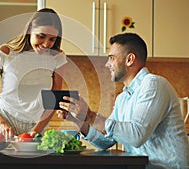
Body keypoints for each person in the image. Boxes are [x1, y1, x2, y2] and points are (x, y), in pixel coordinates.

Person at [57, 33, 189, 169]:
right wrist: (79, 121)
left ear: (130, 59)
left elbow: (136, 136)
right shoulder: (123, 98)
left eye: (112, 58)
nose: (107, 64)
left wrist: (90, 116)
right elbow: (106, 141)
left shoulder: (153, 84)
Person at [0, 8, 67, 140]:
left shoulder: (57, 57)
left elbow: (52, 100)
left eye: (52, 39)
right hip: (4, 123)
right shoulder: (4, 53)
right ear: (30, 29)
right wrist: (1, 123)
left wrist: (35, 131)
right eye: (41, 36)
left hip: (37, 126)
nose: (46, 44)